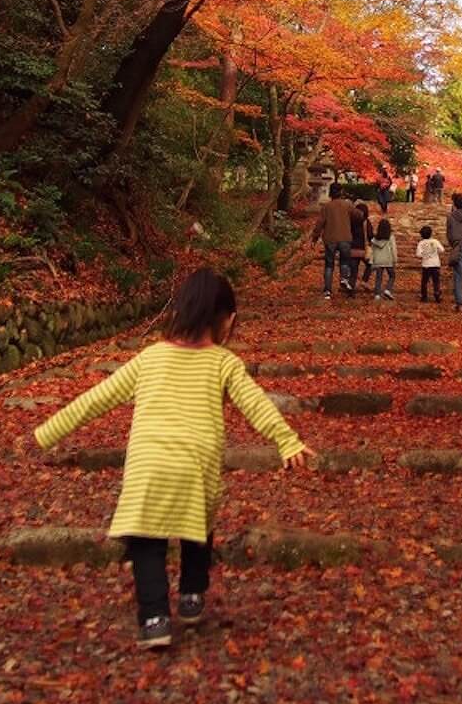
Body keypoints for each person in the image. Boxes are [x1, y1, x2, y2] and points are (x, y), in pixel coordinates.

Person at [33, 269, 313, 649]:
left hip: (148, 465)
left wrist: (48, 431)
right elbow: (255, 404)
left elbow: (96, 398)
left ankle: (154, 619)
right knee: (198, 527)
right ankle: (192, 597)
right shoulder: (224, 363)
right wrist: (287, 440)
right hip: (196, 466)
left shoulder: (149, 357)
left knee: (146, 542)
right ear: (225, 318)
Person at [311, 182, 354, 298]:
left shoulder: (326, 207)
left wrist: (315, 237)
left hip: (330, 239)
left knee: (329, 265)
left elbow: (320, 223)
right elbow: (358, 216)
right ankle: (344, 279)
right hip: (345, 237)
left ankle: (327, 291)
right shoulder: (347, 205)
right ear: (341, 192)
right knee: (345, 261)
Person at [369, 216, 398, 300]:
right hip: (388, 259)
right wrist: (395, 260)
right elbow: (394, 249)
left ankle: (377, 295)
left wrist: (372, 261)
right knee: (392, 276)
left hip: (378, 260)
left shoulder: (375, 239)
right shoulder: (391, 237)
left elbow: (372, 251)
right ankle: (388, 290)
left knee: (378, 278)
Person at [349, 200, 374, 290]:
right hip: (363, 249)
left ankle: (351, 291)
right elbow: (371, 235)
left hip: (352, 249)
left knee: (354, 271)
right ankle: (364, 280)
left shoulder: (350, 222)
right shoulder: (366, 222)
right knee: (371, 265)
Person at [416, 224, 444, 302]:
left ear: (421, 235)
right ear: (431, 233)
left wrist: (425, 255)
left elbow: (418, 254)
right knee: (436, 281)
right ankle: (437, 293)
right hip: (435, 264)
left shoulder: (421, 243)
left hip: (426, 265)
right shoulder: (435, 241)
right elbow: (442, 250)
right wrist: (435, 252)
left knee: (424, 282)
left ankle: (424, 296)